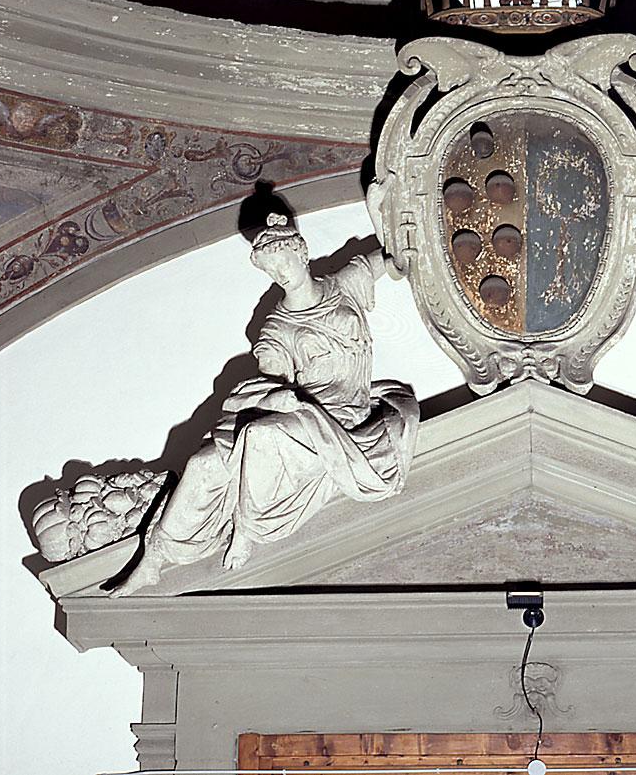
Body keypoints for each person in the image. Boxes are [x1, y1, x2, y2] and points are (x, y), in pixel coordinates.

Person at [112, 214, 418, 595]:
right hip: (310, 413)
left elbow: (392, 260)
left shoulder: (346, 285)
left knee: (260, 435)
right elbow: (268, 380)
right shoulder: (277, 329)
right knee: (203, 463)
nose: (281, 275)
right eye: (272, 270)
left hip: (348, 416)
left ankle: (247, 526)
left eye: (284, 263)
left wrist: (413, 250)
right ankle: (156, 556)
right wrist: (274, 396)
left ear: (301, 253)